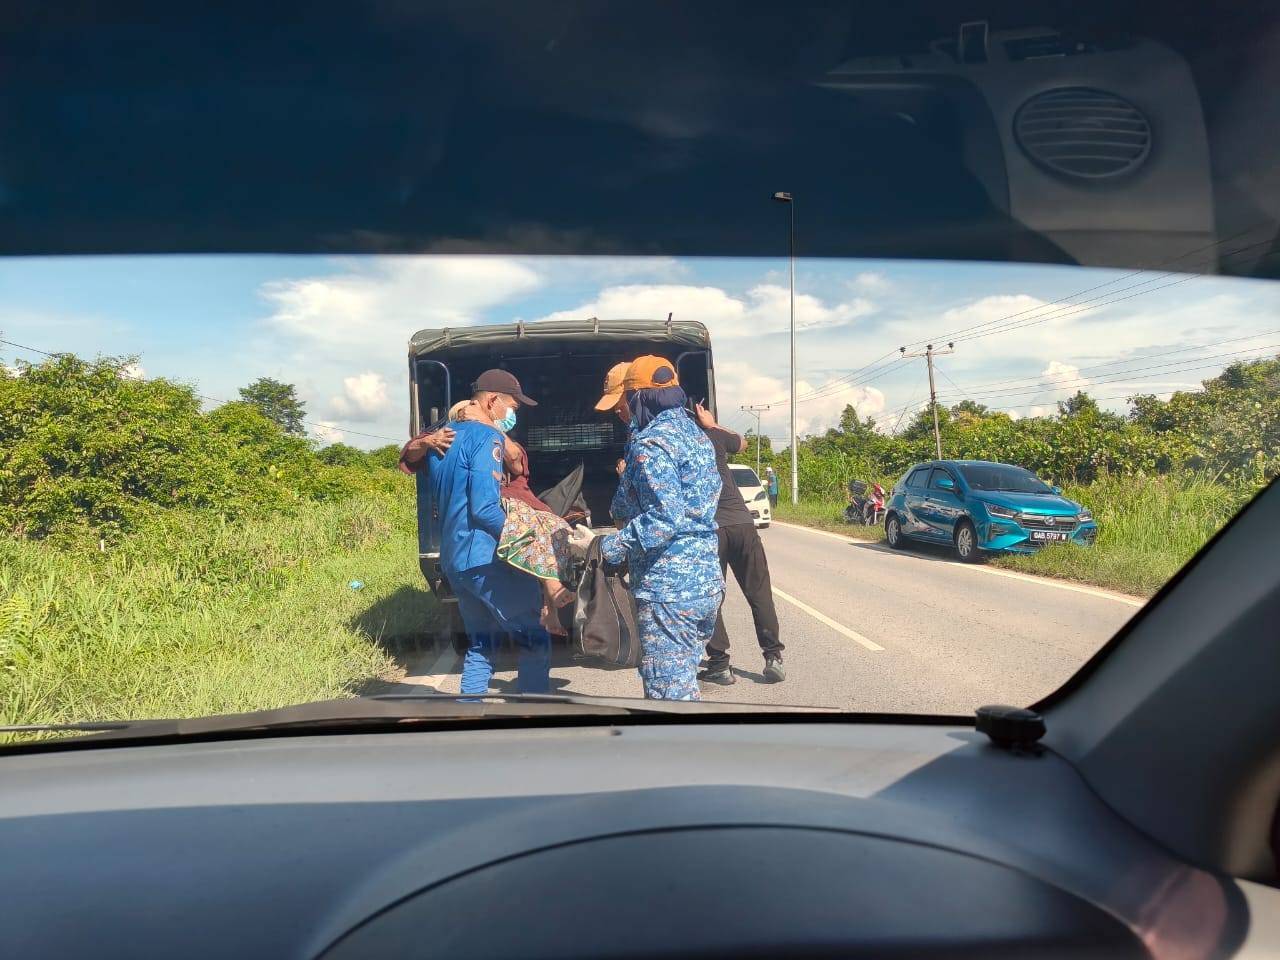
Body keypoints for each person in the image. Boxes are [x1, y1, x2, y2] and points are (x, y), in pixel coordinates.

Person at [570, 356, 723, 700]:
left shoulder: (652, 444)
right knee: (682, 682)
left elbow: (665, 519)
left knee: (669, 696)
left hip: (668, 588)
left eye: (625, 400)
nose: (619, 410)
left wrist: (603, 547)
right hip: (705, 582)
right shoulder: (695, 434)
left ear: (638, 396)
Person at [423, 369, 552, 695]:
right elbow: (484, 508)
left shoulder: (443, 438)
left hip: (456, 559)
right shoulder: (488, 439)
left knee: (483, 645)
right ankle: (538, 714)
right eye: (511, 407)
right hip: (487, 558)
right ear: (493, 401)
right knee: (534, 639)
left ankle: (470, 714)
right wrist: (523, 540)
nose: (511, 414)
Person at [691, 403, 785, 684]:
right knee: (759, 593)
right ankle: (773, 656)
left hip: (711, 530)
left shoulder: (674, 442)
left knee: (711, 597)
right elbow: (742, 443)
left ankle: (719, 664)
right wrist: (713, 425)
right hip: (742, 523)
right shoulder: (715, 436)